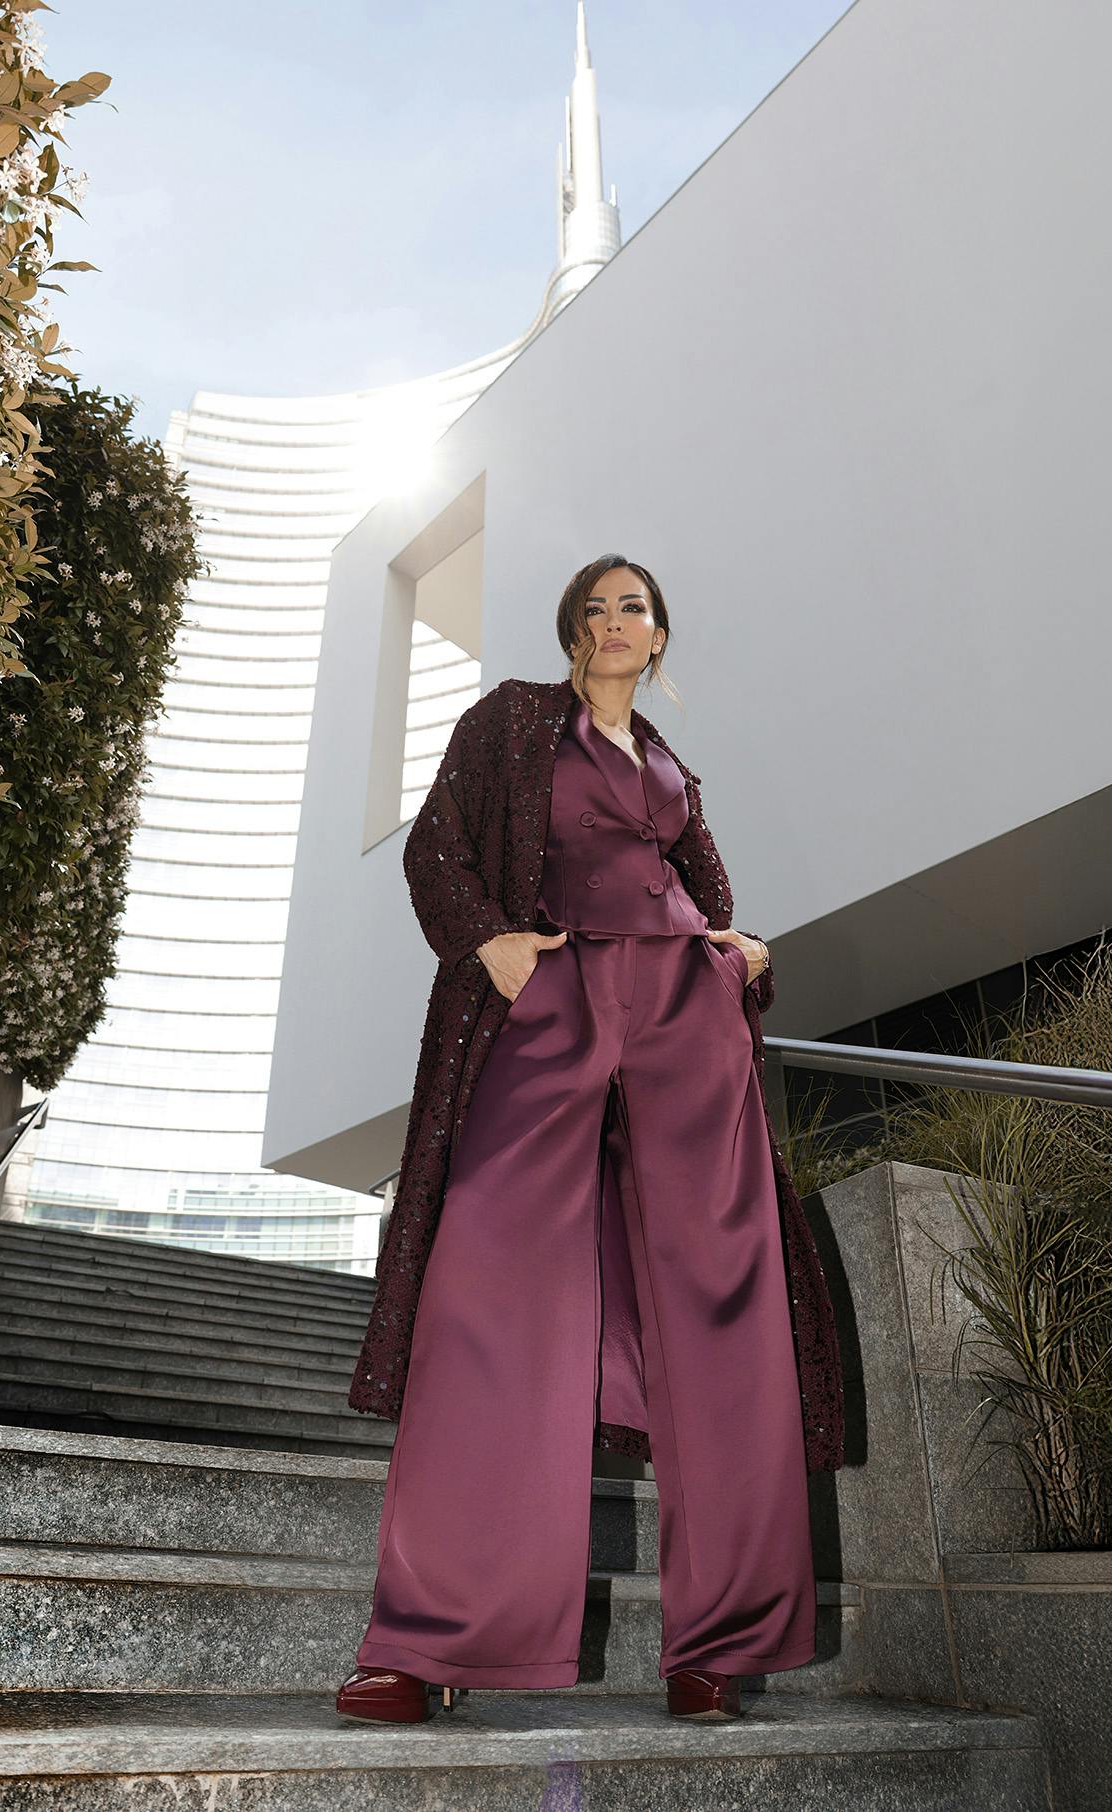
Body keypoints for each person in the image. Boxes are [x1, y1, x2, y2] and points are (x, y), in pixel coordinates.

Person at [336, 555, 840, 1726]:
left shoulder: (672, 770)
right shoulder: (512, 722)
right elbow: (436, 849)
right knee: (487, 1286)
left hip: (683, 1013)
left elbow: (707, 892)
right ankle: (430, 1640)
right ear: (571, 631)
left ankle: (718, 1647)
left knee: (722, 1302)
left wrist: (737, 956)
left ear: (658, 638)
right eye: (595, 606)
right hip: (551, 997)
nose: (614, 622)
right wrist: (488, 945)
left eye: (635, 608)